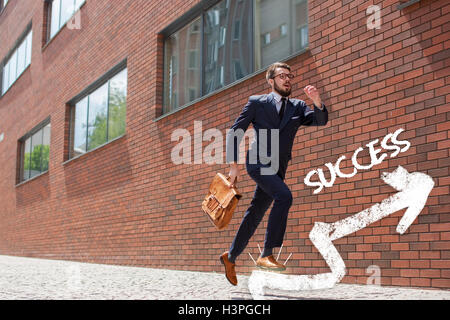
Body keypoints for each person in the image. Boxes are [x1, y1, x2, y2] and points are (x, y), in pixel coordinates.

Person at [220, 62, 329, 286]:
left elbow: (320, 120)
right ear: (271, 81)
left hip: (278, 168)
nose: (287, 79)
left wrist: (317, 102)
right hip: (258, 162)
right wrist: (234, 166)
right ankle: (267, 254)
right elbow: (235, 131)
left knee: (255, 213)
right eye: (282, 76)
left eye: (290, 76)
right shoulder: (257, 103)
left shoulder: (298, 106)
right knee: (284, 197)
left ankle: (230, 257)